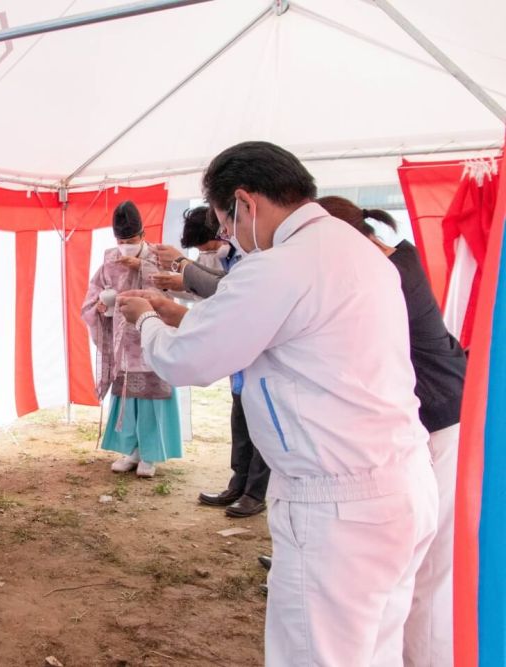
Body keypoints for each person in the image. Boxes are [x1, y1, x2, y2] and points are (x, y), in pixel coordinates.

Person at [117, 141, 438, 666]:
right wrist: (176, 313)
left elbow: (189, 362)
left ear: (245, 202)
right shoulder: (353, 248)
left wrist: (148, 321)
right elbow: (264, 330)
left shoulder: (283, 264)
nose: (230, 237)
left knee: (316, 655)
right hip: (399, 483)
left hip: (337, 500)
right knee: (375, 651)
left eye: (225, 224)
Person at [319, 195, 466, 667]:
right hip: (435, 422)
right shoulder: (391, 259)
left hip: (441, 425)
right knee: (415, 576)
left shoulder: (388, 274)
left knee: (425, 580)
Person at [152, 207, 269, 518]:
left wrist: (182, 265)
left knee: (260, 424)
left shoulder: (259, 256)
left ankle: (255, 493)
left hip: (258, 358)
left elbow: (223, 288)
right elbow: (213, 289)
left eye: (211, 246)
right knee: (240, 420)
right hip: (241, 363)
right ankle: (238, 483)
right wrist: (182, 281)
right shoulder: (231, 256)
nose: (216, 249)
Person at [81, 201, 182, 478]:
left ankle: (151, 455)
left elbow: (174, 286)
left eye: (131, 239)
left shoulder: (159, 255)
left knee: (152, 397)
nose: (125, 245)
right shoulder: (109, 258)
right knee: (128, 396)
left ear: (143, 234)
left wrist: (143, 265)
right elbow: (94, 292)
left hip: (153, 334)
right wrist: (100, 306)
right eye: (121, 240)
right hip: (123, 338)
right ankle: (131, 450)